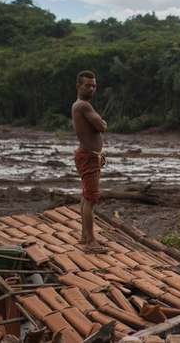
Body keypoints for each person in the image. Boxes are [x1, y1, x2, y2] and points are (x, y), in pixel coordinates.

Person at [71, 70, 108, 253]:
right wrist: (103, 124)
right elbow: (101, 126)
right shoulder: (83, 106)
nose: (92, 88)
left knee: (87, 197)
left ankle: (85, 236)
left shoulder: (80, 106)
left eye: (94, 85)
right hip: (88, 156)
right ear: (79, 86)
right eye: (88, 85)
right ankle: (91, 241)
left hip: (88, 155)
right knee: (91, 198)